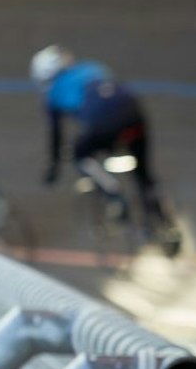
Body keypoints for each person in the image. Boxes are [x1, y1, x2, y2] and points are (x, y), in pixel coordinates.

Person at [30, 44, 170, 231]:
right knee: (142, 172)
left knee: (80, 154)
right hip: (133, 111)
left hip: (104, 123)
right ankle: (162, 219)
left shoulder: (53, 94)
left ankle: (112, 191)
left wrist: (53, 167)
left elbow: (56, 135)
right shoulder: (91, 67)